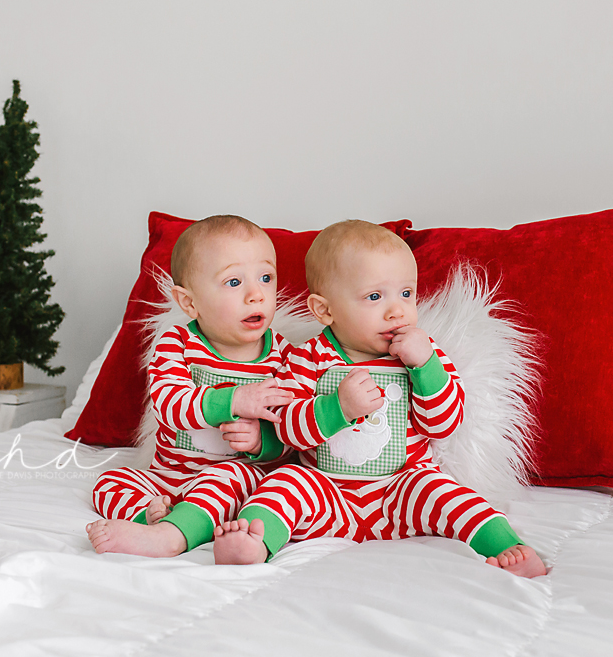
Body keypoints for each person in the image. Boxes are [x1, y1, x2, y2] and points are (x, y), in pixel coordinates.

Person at [212, 220, 546, 577]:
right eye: (375, 297)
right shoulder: (308, 357)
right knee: (285, 483)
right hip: (327, 491)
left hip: (401, 488)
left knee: (447, 492)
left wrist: (425, 367)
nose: (396, 311)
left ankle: (507, 545)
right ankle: (253, 539)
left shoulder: (422, 353)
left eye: (406, 294)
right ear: (325, 310)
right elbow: (287, 429)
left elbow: (445, 424)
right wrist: (337, 409)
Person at [86, 215, 294, 558]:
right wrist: (235, 399)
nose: (257, 294)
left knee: (232, 475)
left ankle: (170, 538)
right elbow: (168, 404)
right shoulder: (176, 343)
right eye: (233, 282)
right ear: (189, 302)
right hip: (167, 477)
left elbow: (293, 430)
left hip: (231, 479)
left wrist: (262, 442)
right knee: (108, 482)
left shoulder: (284, 355)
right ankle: (151, 518)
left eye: (266, 277)